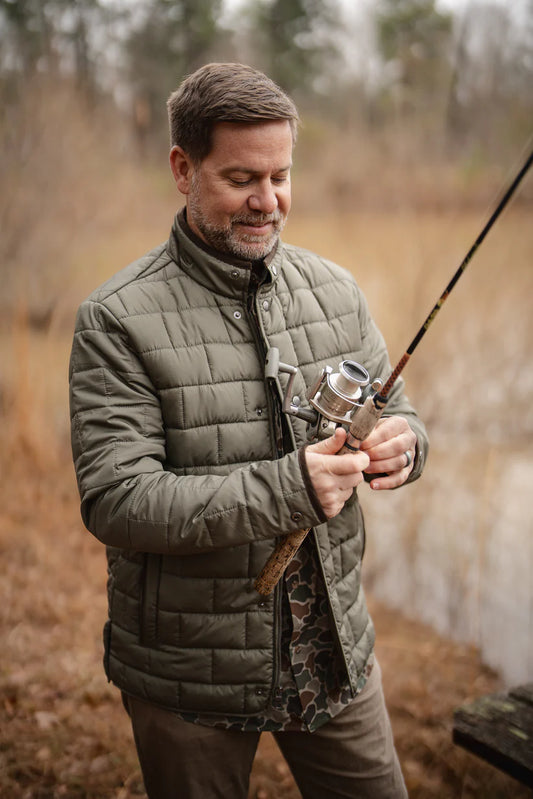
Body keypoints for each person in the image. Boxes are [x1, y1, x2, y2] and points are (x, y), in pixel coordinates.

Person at [69, 62, 428, 799]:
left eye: (281, 175)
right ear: (183, 168)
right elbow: (117, 501)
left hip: (336, 653)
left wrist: (405, 446)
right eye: (241, 179)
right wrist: (289, 486)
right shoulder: (115, 320)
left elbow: (402, 411)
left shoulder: (335, 288)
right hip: (188, 676)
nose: (268, 201)